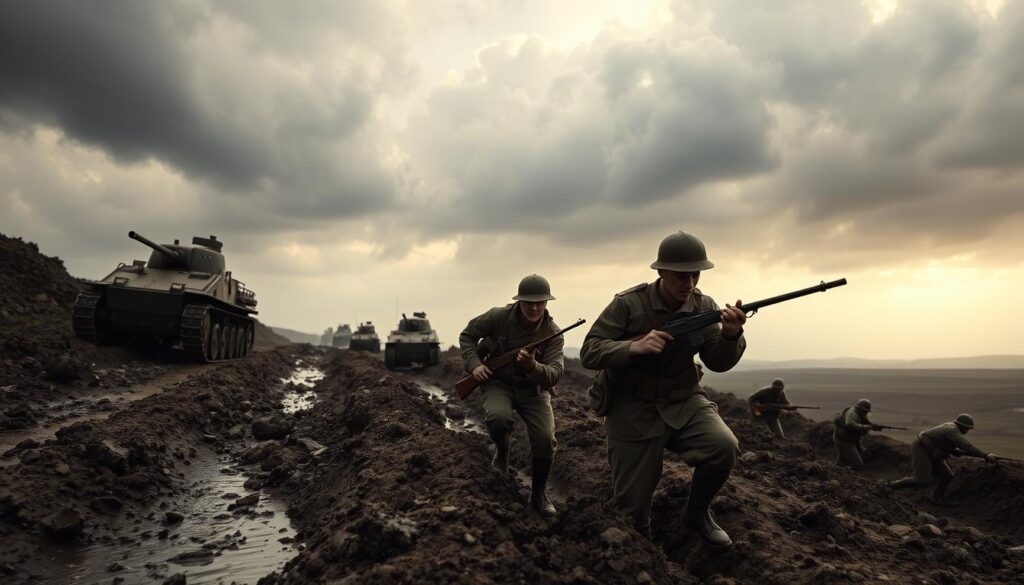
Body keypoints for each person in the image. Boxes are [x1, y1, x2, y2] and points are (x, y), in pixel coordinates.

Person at [580, 231, 746, 548]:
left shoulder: (703, 306)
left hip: (682, 400)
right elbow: (590, 351)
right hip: (632, 407)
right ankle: (644, 560)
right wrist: (632, 347)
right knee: (631, 518)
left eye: (695, 275)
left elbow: (717, 362)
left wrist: (730, 334)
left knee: (723, 446)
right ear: (661, 273)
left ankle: (697, 513)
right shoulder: (628, 305)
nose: (689, 283)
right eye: (681, 276)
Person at [459, 274, 564, 517]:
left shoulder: (553, 333)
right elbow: (467, 335)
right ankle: (502, 452)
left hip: (533, 390)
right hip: (498, 383)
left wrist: (531, 366)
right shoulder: (498, 317)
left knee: (546, 440)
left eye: (541, 302)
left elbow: (555, 374)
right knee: (498, 418)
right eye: (529, 302)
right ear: (519, 301)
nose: (535, 308)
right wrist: (474, 365)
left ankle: (539, 494)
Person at [888, 414, 998, 506]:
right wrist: (985, 455)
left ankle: (936, 499)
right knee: (922, 480)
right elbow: (967, 446)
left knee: (947, 476)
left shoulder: (951, 427)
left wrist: (953, 450)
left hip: (931, 450)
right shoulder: (952, 430)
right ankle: (888, 486)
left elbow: (944, 444)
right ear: (963, 426)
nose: (968, 431)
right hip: (921, 448)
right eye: (968, 428)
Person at [833, 399, 882, 470]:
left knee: (843, 459)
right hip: (845, 441)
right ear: (859, 409)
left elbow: (866, 423)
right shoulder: (852, 414)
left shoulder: (860, 414)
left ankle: (836, 470)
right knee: (857, 464)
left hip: (850, 440)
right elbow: (849, 424)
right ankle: (844, 472)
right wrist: (867, 427)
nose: (865, 413)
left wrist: (873, 426)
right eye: (864, 411)